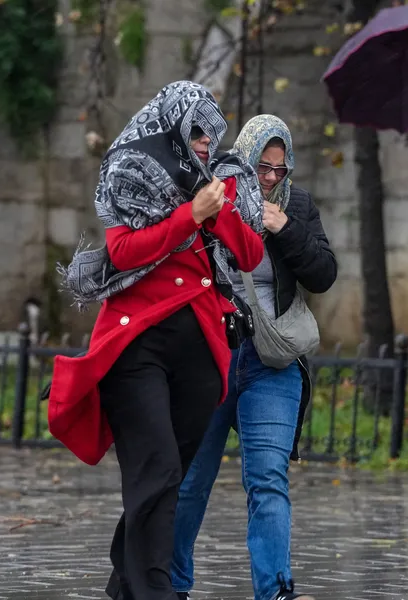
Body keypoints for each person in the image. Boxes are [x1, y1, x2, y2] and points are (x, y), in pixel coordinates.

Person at [47, 81, 266, 600]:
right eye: (195, 136)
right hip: (136, 347)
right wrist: (187, 217)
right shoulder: (134, 173)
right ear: (170, 132)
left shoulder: (215, 183)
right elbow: (123, 252)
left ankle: (126, 584)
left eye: (211, 138)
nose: (205, 147)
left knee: (166, 479)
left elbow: (251, 255)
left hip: (201, 351)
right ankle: (154, 590)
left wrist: (216, 212)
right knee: (158, 468)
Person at [171, 114, 337, 600]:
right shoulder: (212, 197)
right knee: (191, 481)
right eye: (261, 167)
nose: (268, 178)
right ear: (243, 158)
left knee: (267, 478)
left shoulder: (297, 205)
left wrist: (285, 228)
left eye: (278, 170)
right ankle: (172, 585)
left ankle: (275, 590)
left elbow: (324, 274)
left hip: (272, 363)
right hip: (213, 357)